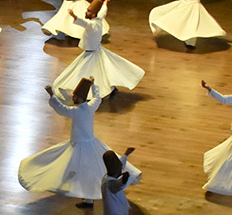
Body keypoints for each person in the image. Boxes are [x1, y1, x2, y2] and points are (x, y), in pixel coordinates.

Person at [18, 78, 141, 207]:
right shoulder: (90, 107)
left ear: (79, 99)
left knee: (77, 168)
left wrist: (52, 95)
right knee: (88, 170)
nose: (73, 98)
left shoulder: (76, 111)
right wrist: (94, 87)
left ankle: (75, 189)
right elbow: (97, 99)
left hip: (79, 144)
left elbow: (61, 109)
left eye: (75, 96)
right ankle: (87, 197)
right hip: (90, 142)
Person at [51, 0, 145, 97]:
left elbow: (83, 22)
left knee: (84, 71)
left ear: (93, 14)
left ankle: (85, 91)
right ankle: (109, 88)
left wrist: (73, 15)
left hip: (92, 53)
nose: (86, 12)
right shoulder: (99, 19)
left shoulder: (92, 25)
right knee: (102, 70)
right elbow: (103, 11)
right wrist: (105, 3)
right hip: (96, 51)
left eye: (88, 11)